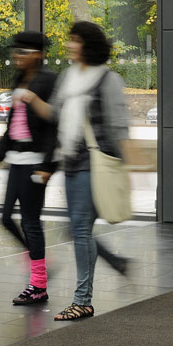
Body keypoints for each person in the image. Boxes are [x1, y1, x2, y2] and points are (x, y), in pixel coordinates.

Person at [20, 21, 132, 321]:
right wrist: (30, 97)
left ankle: (82, 300)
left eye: (75, 40)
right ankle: (96, 285)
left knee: (80, 230)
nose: (69, 44)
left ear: (88, 45)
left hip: (93, 164)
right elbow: (56, 114)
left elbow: (119, 126)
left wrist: (129, 166)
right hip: (70, 162)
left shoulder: (107, 80)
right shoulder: (69, 77)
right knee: (76, 230)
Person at [0, 31, 57, 306]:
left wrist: (47, 164)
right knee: (6, 218)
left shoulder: (49, 80)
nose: (17, 56)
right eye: (15, 52)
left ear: (38, 54)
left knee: (30, 223)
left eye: (23, 52)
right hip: (16, 162)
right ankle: (40, 264)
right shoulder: (20, 80)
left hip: (35, 163)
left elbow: (55, 126)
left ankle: (38, 284)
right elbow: (13, 123)